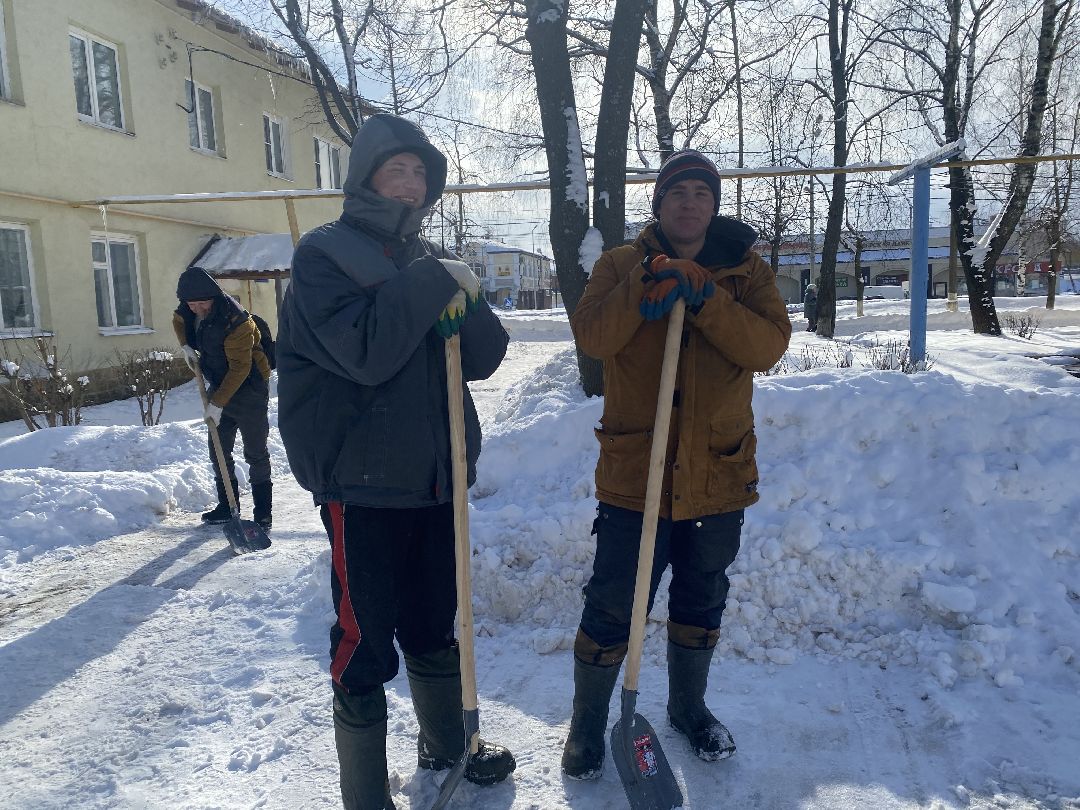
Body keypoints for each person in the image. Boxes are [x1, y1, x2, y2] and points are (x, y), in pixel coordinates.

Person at [275, 113, 515, 810]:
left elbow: (486, 358)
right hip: (363, 485)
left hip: (434, 481)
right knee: (364, 638)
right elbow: (367, 353)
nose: (410, 184)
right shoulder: (324, 256)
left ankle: (446, 747)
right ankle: (364, 793)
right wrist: (429, 284)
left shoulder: (426, 258)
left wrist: (463, 302)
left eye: (421, 173)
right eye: (396, 170)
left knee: (435, 621)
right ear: (366, 177)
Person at [563, 149, 792, 779]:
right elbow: (592, 337)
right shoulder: (617, 264)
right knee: (612, 600)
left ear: (713, 205)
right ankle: (586, 727)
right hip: (637, 474)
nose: (690, 202)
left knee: (702, 595)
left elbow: (768, 346)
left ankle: (688, 708)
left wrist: (707, 298)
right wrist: (646, 284)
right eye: (677, 193)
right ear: (659, 204)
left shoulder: (748, 272)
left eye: (701, 192)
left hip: (716, 474)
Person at [173, 268, 273, 529]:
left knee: (256, 452)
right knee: (218, 449)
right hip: (220, 384)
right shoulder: (189, 310)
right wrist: (186, 346)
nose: (197, 309)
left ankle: (263, 512)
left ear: (214, 297)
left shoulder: (236, 321)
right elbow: (179, 320)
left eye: (202, 303)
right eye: (192, 304)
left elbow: (240, 368)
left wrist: (217, 404)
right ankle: (228, 507)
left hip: (250, 387)